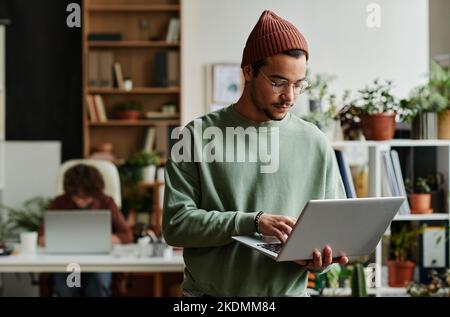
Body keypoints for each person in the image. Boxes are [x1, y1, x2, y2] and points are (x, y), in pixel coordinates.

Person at [163, 10, 348, 297]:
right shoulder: (195, 136)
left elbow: (332, 232)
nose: (290, 97)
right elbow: (176, 225)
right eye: (278, 82)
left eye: (298, 84)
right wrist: (252, 221)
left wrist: (321, 261)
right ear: (248, 71)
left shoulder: (315, 142)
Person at [38, 164, 133, 297]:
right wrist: (49, 239)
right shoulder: (60, 203)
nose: (81, 202)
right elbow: (42, 237)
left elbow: (127, 235)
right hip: (70, 262)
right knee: (68, 288)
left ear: (96, 193)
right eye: (76, 196)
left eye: (86, 197)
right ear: (69, 192)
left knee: (98, 284)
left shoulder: (106, 202)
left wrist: (100, 239)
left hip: (98, 261)